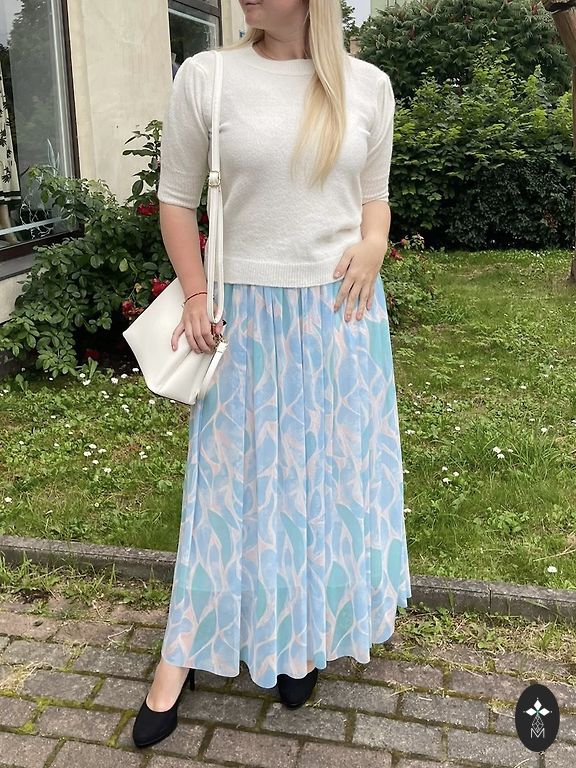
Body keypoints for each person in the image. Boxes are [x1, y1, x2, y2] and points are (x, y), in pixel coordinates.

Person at [133, 0, 411, 749]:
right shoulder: (208, 76)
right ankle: (181, 654)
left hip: (342, 315)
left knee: (323, 478)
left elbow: (374, 197)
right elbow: (176, 202)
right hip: (243, 315)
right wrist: (196, 293)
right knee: (230, 483)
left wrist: (374, 244)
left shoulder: (369, 86)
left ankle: (301, 634)